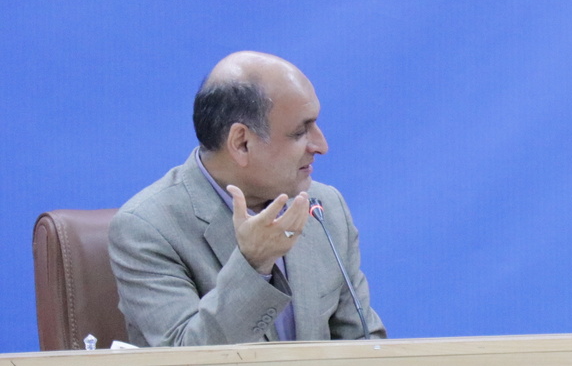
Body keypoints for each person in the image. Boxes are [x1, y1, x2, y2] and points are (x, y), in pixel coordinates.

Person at [109, 51, 386, 346]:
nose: (321, 145)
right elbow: (186, 359)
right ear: (242, 142)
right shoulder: (147, 228)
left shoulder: (324, 207)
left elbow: (364, 343)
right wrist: (253, 264)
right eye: (300, 132)